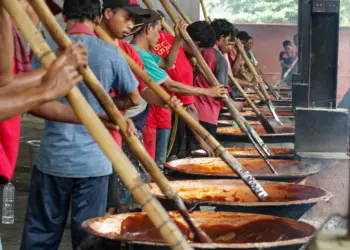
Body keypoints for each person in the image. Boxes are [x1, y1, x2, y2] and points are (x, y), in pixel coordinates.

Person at [20, 0, 142, 248]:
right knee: (88, 238)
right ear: (98, 19)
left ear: (64, 17)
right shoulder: (109, 51)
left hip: (53, 158)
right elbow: (134, 98)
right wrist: (106, 106)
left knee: (41, 234)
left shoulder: (46, 49)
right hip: (94, 161)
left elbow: (30, 98)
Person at [99, 0, 182, 213]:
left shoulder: (129, 51)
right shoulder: (98, 46)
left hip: (122, 126)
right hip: (113, 127)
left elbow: (145, 90)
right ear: (107, 13)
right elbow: (136, 96)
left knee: (119, 184)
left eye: (133, 21)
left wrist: (166, 101)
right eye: (127, 18)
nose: (130, 25)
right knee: (116, 183)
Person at [0, 2, 88, 184]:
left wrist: (89, 117)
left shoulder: (11, 38)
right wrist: (46, 87)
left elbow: (11, 91)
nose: (38, 19)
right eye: (34, 8)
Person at [131, 12, 226, 164]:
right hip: (152, 117)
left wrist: (177, 38)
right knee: (155, 163)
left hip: (151, 113)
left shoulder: (160, 41)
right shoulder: (182, 69)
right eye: (158, 30)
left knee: (150, 162)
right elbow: (174, 89)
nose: (159, 35)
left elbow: (168, 63)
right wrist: (208, 92)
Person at [184, 21, 229, 151]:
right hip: (205, 112)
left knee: (191, 153)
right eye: (229, 41)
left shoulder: (203, 53)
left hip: (193, 111)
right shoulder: (218, 57)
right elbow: (222, 91)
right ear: (221, 38)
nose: (230, 46)